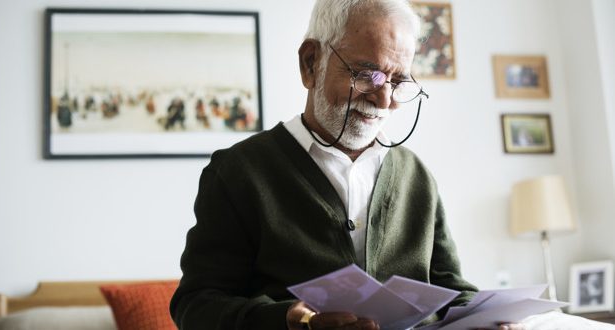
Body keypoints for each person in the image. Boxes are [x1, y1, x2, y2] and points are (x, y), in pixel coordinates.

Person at [170, 1, 524, 329]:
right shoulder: (239, 172)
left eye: (398, 81)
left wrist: (486, 318)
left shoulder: (416, 176)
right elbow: (196, 305)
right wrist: (289, 321)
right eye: (368, 74)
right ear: (311, 63)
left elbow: (448, 288)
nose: (385, 100)